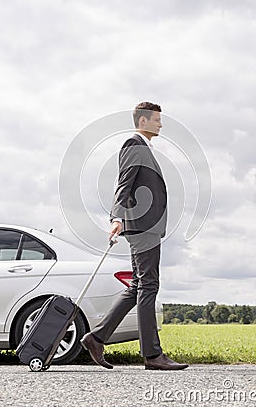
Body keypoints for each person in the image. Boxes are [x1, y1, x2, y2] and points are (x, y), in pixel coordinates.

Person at [80, 102, 188, 370]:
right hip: (141, 225)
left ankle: (96, 337)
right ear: (142, 121)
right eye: (157, 120)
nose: (160, 125)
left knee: (138, 286)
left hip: (144, 225)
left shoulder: (144, 147)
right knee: (148, 285)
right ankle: (153, 355)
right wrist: (116, 217)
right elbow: (124, 182)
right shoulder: (134, 144)